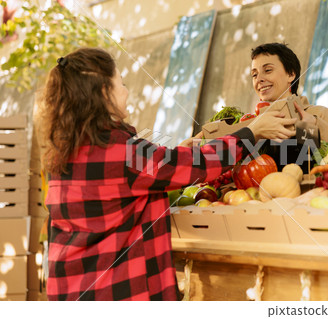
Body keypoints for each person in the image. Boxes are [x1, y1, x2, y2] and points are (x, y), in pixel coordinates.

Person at [39, 47, 297, 301]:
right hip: (116, 293)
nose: (127, 91)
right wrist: (251, 133)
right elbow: (196, 164)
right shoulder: (120, 152)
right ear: (104, 93)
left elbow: (147, 171)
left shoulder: (67, 153)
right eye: (122, 83)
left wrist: (173, 156)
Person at [250, 42, 328, 170]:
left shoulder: (318, 113)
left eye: (267, 70)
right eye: (254, 75)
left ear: (291, 74)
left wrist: (315, 125)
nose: (259, 79)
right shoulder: (252, 123)